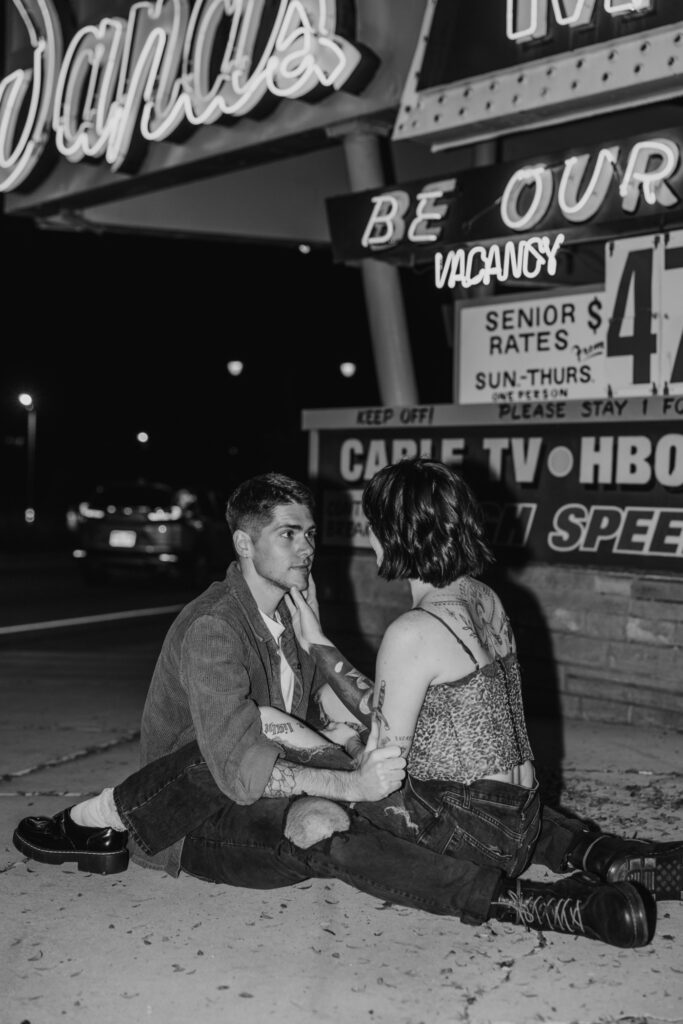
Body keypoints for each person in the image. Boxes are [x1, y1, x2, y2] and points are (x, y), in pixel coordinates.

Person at [12, 469, 680, 948]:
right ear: (244, 543)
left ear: (393, 538)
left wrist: (321, 669)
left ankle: (94, 818)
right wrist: (336, 764)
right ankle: (97, 818)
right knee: (312, 808)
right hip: (203, 805)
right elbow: (242, 766)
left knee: (341, 775)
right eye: (287, 535)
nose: (308, 548)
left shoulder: (328, 623)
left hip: (453, 816)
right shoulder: (217, 630)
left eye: (310, 533)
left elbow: (362, 720)